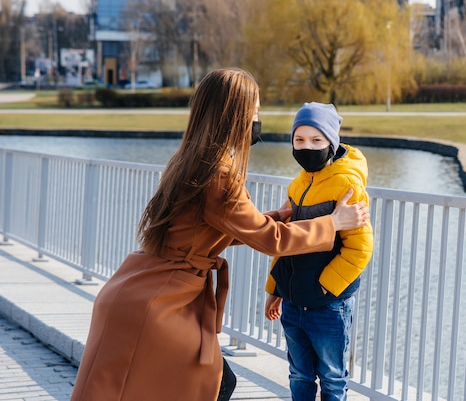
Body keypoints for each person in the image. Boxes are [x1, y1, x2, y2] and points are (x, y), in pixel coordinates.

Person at [70, 69, 369, 401]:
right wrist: (333, 222)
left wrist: (280, 215)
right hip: (160, 301)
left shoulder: (190, 161)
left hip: (142, 289)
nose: (257, 122)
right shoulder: (218, 174)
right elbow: (270, 239)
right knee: (212, 383)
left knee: (189, 384)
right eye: (254, 113)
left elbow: (224, 227)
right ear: (235, 117)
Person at [264, 102, 374, 401]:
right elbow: (286, 242)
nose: (306, 147)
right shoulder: (297, 185)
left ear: (331, 143)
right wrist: (275, 290)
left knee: (332, 378)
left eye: (316, 140)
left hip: (328, 307)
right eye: (299, 140)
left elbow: (360, 248)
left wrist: (326, 287)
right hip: (293, 303)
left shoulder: (347, 184)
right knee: (299, 374)